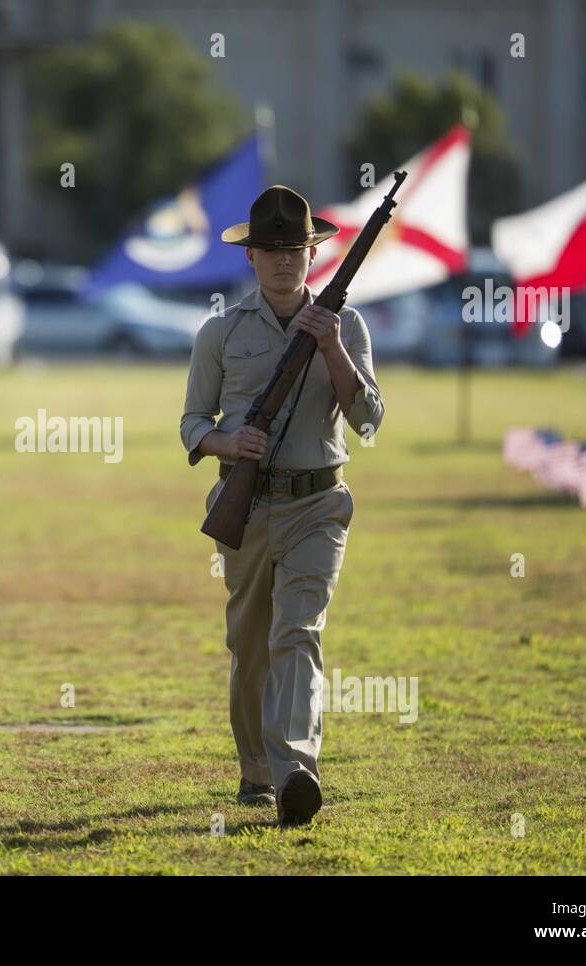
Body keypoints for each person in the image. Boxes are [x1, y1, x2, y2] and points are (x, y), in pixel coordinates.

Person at [180, 185, 385, 827]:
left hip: (319, 503)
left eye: (292, 248)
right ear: (251, 258)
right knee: (250, 645)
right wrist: (226, 440)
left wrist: (330, 347)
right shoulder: (220, 331)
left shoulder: (345, 325)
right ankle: (255, 773)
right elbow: (191, 425)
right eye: (269, 249)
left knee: (298, 633)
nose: (281, 260)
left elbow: (370, 419)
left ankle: (296, 768)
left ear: (312, 252)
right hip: (248, 505)